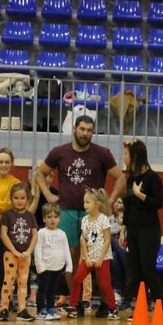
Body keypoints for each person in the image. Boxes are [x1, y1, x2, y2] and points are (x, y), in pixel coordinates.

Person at [34, 116, 125, 299]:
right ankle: (75, 300)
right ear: (74, 129)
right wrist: (49, 195)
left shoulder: (102, 153)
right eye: (82, 129)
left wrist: (110, 199)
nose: (85, 133)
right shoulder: (59, 152)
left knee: (98, 257)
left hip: (93, 215)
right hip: (67, 211)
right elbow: (39, 173)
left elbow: (121, 178)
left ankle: (104, 303)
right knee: (70, 256)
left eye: (89, 130)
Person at [118, 138, 163, 316]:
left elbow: (159, 203)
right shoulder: (131, 179)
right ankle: (141, 309)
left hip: (149, 230)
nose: (123, 157)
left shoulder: (153, 177)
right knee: (135, 269)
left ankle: (161, 308)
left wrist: (140, 195)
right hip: (134, 229)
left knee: (148, 269)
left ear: (135, 156)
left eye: (126, 154)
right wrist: (124, 227)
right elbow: (128, 206)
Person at [68, 188, 118, 319]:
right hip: (88, 258)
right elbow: (83, 239)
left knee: (105, 284)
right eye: (84, 202)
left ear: (97, 204)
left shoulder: (103, 219)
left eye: (88, 202)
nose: (85, 205)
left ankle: (113, 309)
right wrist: (86, 257)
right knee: (77, 279)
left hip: (102, 257)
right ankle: (73, 306)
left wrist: (101, 258)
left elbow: (107, 240)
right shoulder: (84, 219)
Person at [0, 182, 38, 322]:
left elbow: (35, 235)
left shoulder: (30, 216)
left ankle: (22, 309)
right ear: (11, 198)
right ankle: (4, 308)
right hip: (11, 254)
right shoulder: (7, 215)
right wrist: (14, 250)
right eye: (16, 198)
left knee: (23, 282)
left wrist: (28, 251)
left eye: (22, 198)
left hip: (25, 255)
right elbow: (3, 234)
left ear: (27, 199)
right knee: (8, 281)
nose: (19, 201)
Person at [0, 147, 21, 297]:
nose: (4, 165)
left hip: (5, 228)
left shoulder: (16, 183)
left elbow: (9, 204)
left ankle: (7, 298)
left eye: (7, 162)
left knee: (3, 264)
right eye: (1, 161)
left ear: (12, 163)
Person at [33, 203, 72, 321]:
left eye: (55, 217)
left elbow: (66, 250)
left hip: (58, 267)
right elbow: (37, 250)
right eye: (49, 217)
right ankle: (41, 310)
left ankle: (50, 308)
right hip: (45, 267)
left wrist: (69, 265)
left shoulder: (62, 234)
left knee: (52, 290)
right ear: (44, 218)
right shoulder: (41, 233)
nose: (52, 220)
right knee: (43, 289)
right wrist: (40, 266)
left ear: (59, 218)